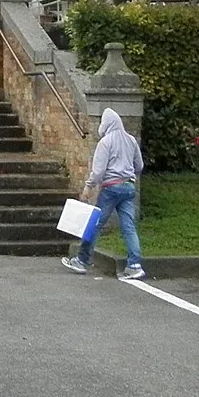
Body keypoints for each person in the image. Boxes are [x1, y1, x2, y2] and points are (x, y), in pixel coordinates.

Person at [64, 107, 144, 281]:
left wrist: (88, 187)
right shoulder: (131, 140)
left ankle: (81, 260)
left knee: (94, 225)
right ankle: (134, 265)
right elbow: (139, 166)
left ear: (106, 124)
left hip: (111, 188)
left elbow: (98, 172)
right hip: (129, 188)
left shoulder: (106, 142)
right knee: (129, 227)